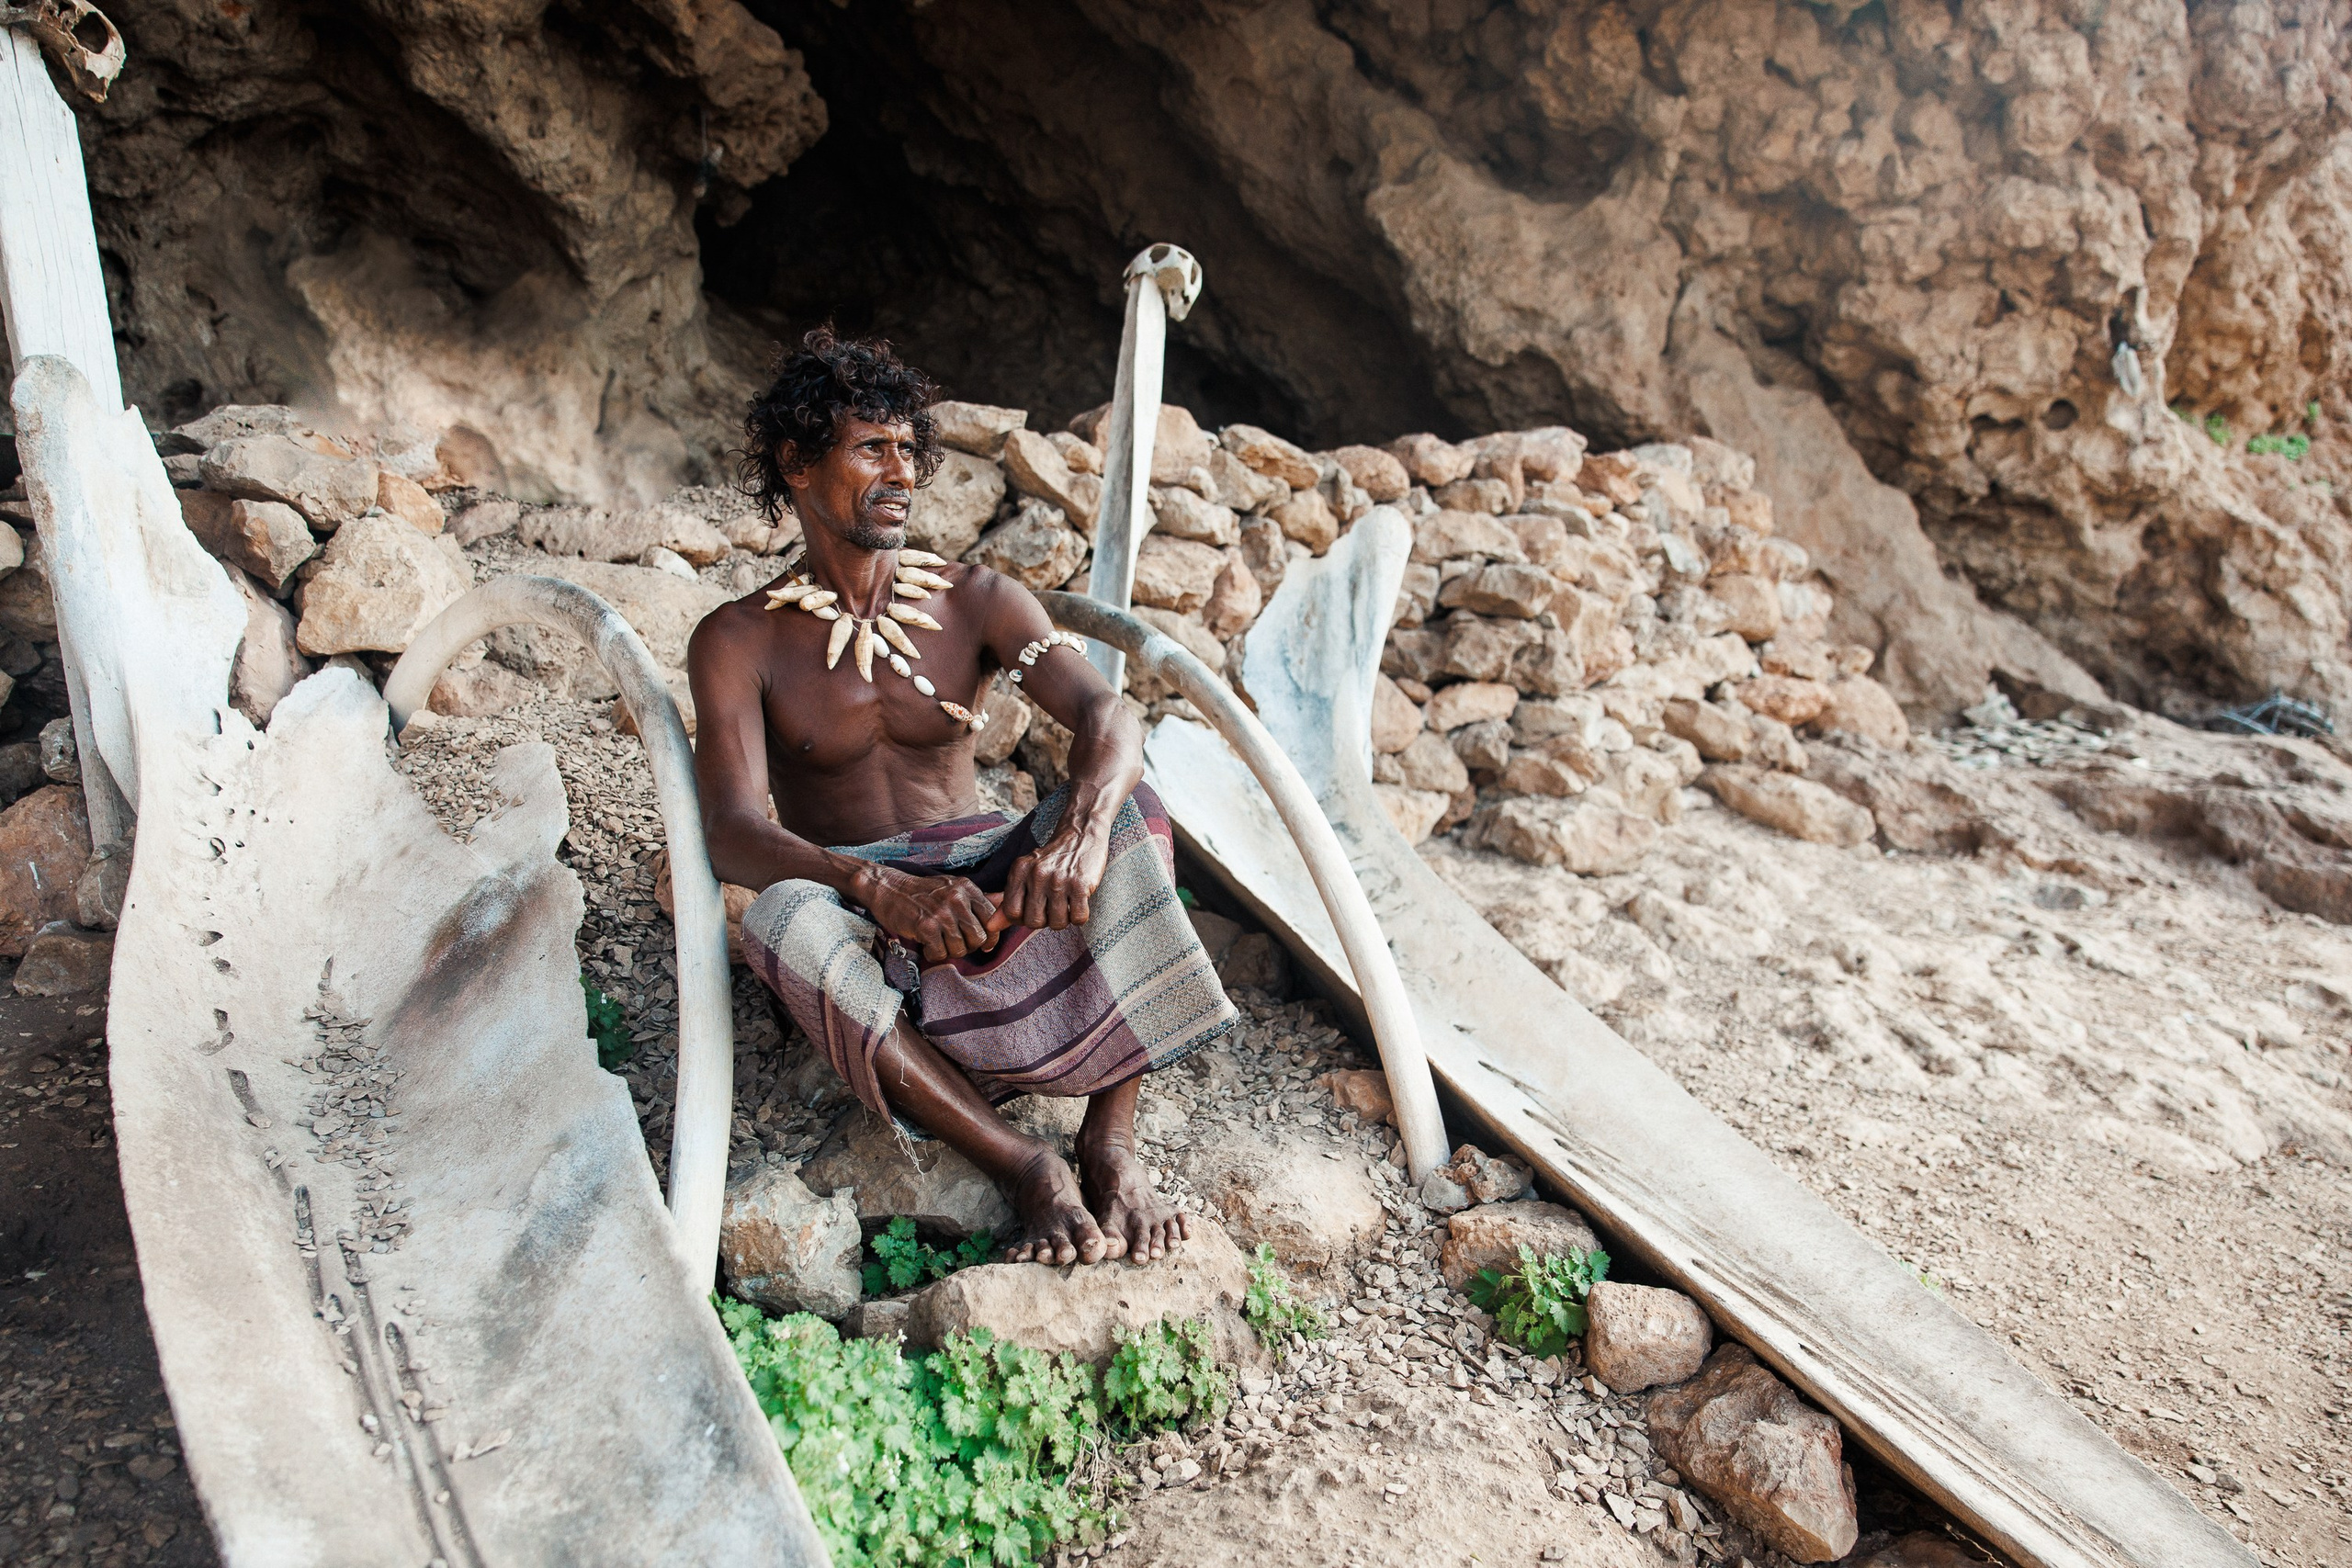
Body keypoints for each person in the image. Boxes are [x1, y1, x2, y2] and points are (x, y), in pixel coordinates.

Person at [687, 329, 1238, 1268]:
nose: (900, 470)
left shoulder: (977, 598)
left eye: (910, 449)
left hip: (986, 881)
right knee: (777, 921)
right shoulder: (738, 639)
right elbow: (733, 832)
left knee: (1133, 809)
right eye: (872, 448)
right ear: (796, 462)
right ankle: (1026, 1166)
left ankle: (1109, 1141)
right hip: (863, 904)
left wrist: (1079, 836)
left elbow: (1110, 716)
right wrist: (866, 886)